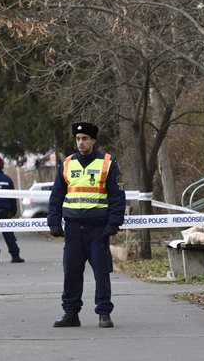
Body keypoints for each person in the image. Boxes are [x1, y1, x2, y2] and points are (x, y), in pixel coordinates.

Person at [47, 122, 126, 328]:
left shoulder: (107, 163)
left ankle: (104, 314)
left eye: (85, 139)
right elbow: (56, 196)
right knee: (71, 272)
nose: (81, 142)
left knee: (101, 272)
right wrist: (54, 222)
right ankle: (71, 313)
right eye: (78, 139)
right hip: (73, 228)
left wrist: (113, 223)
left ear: (93, 141)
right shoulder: (67, 164)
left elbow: (117, 197)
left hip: (97, 229)